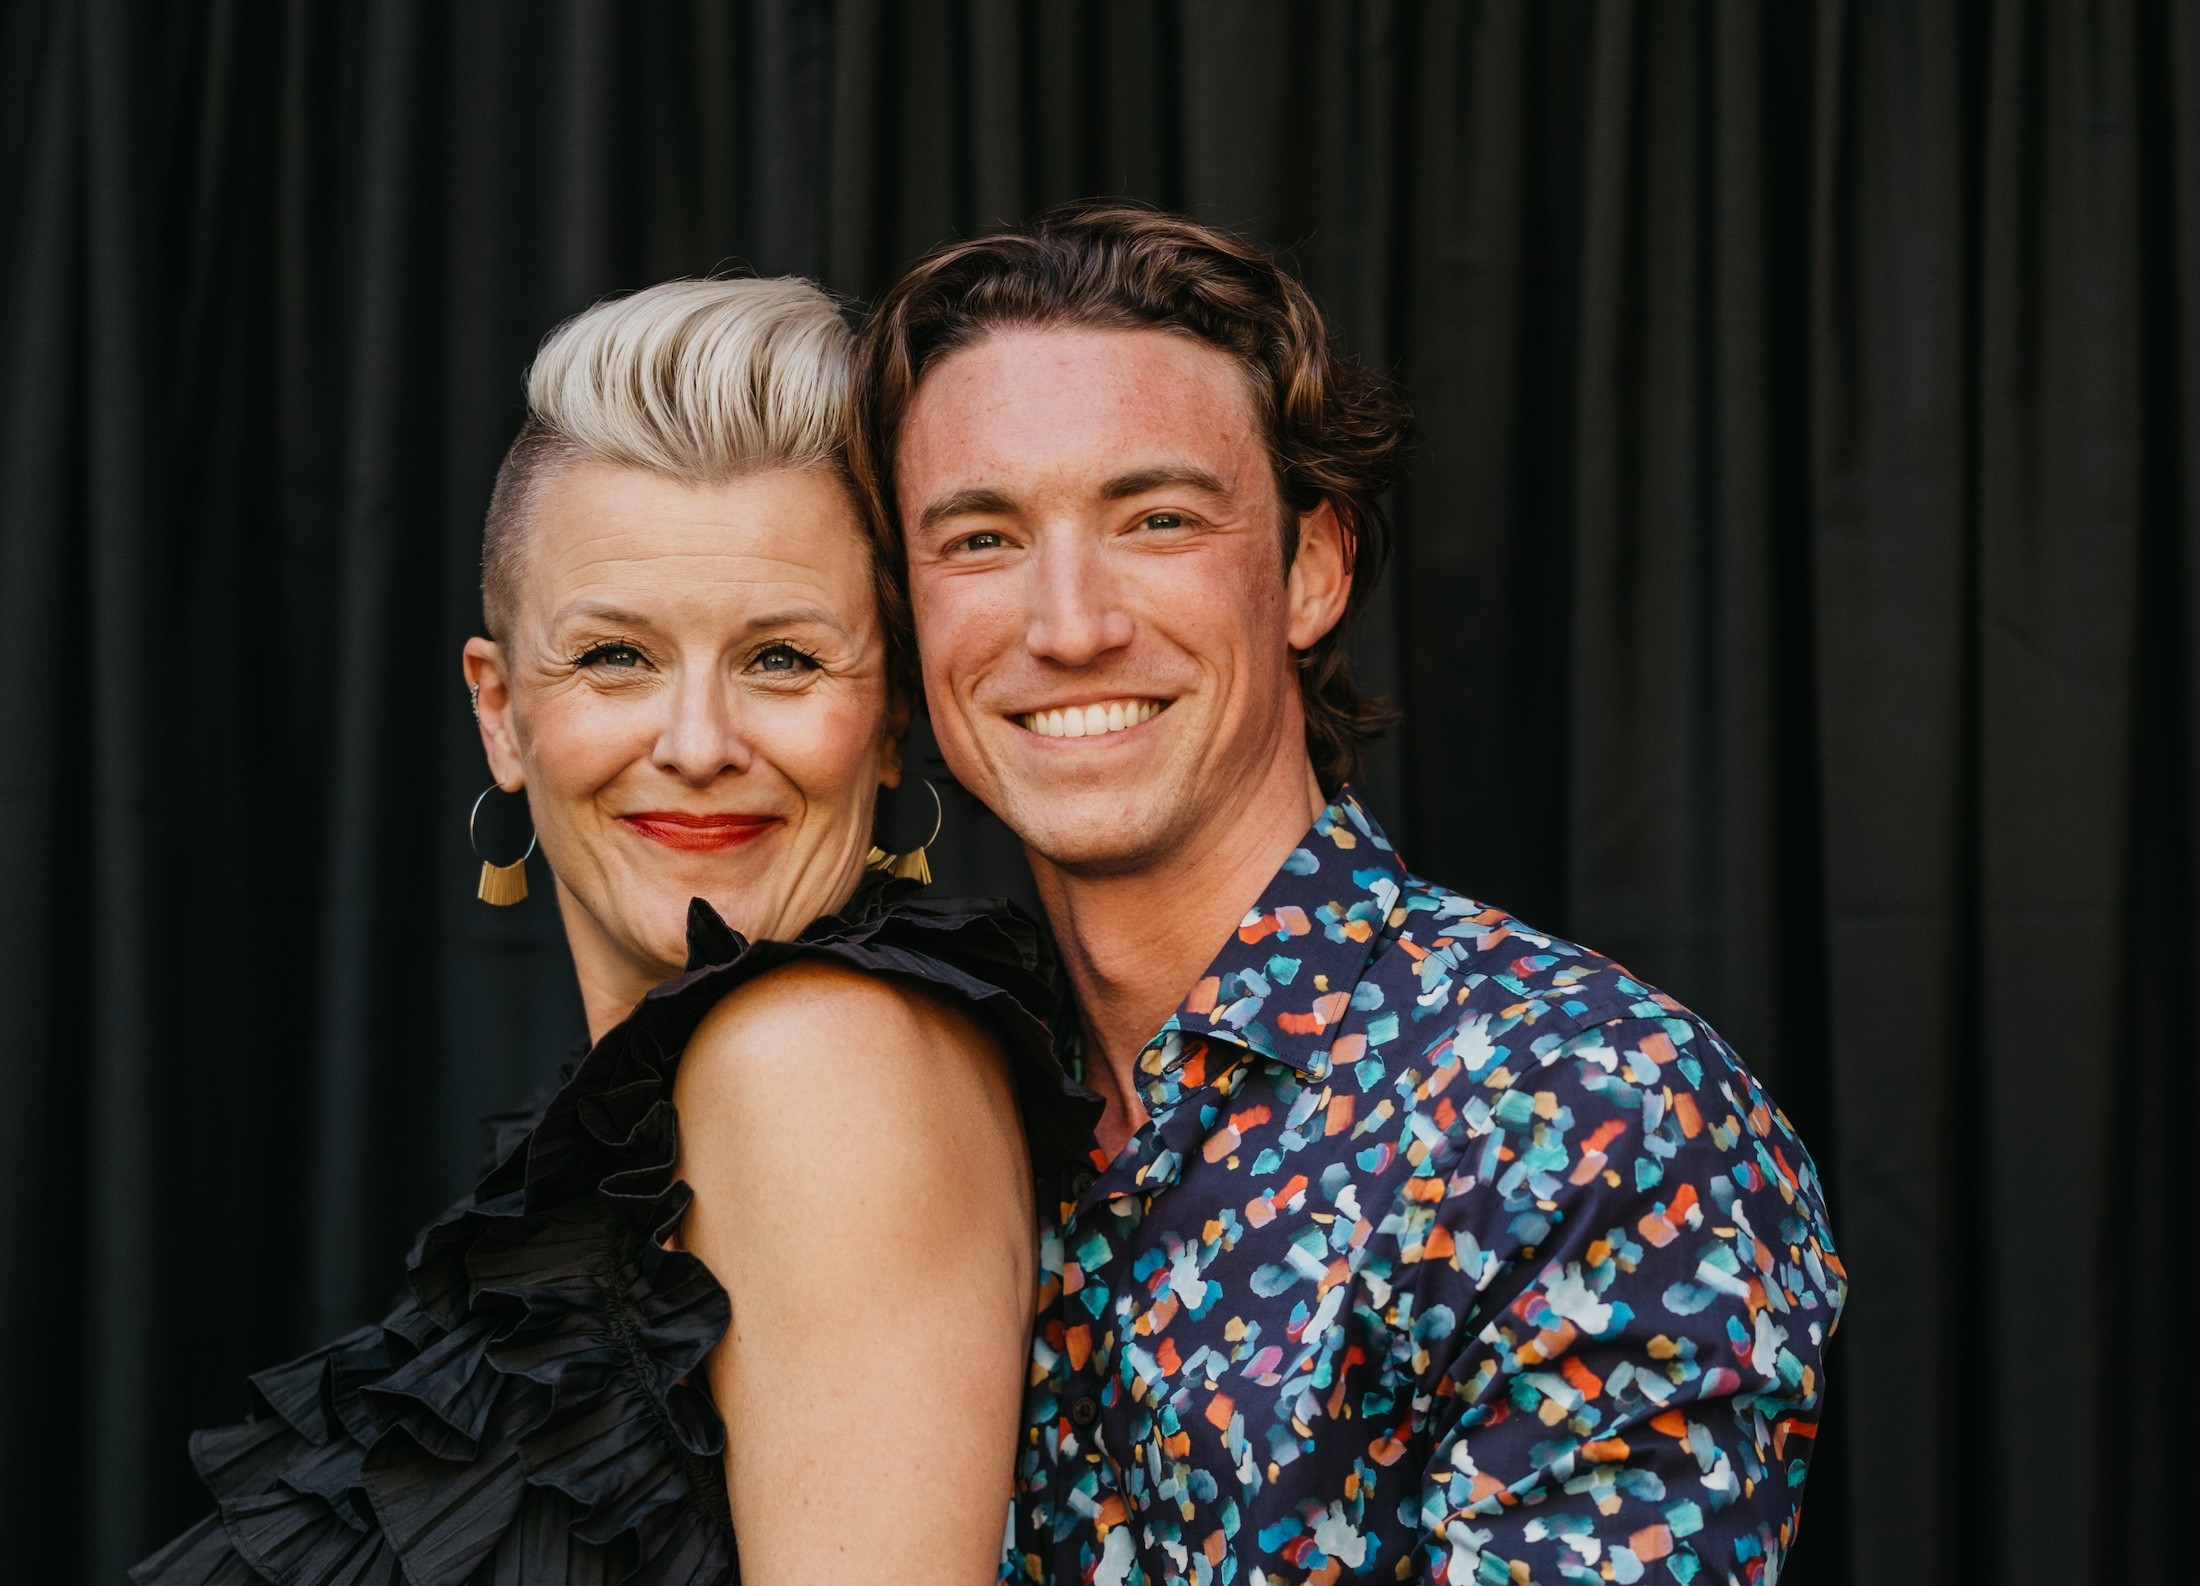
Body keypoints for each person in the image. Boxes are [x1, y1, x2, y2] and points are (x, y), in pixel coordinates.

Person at [850, 203, 1847, 1586]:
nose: (1068, 622)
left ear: (1313, 566)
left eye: (1155, 518)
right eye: (979, 539)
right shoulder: (925, 1110)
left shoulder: (1587, 1105)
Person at [134, 279, 1093, 1586]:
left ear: (889, 724)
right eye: (615, 657)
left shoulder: (818, 1059)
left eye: (783, 659)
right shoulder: (678, 1115)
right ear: (500, 711)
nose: (696, 745)